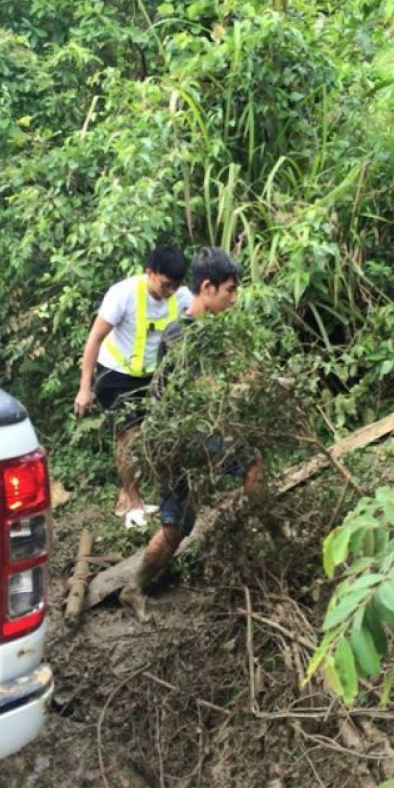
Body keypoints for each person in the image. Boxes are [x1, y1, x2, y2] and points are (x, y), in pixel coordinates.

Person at [119, 247, 262, 618]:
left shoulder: (203, 331)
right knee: (251, 463)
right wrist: (241, 389)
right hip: (179, 439)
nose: (234, 297)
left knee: (177, 527)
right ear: (208, 287)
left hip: (182, 438)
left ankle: (133, 588)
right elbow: (204, 392)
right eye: (230, 290)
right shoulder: (180, 333)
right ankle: (267, 543)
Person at [74, 245, 191, 529]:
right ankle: (132, 500)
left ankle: (130, 495)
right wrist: (84, 388)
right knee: (129, 437)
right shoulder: (123, 294)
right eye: (165, 284)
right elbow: (94, 339)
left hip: (154, 375)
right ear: (150, 273)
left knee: (158, 435)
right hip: (116, 374)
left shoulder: (182, 296)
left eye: (175, 285)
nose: (170, 291)